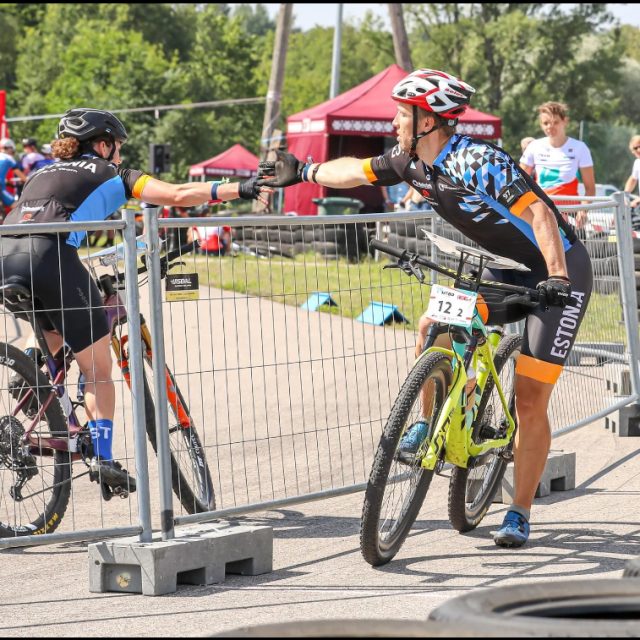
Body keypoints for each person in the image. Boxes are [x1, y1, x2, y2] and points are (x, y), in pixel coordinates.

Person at [258, 68, 593, 549]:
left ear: (429, 121)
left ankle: (519, 511)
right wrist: (305, 173)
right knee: (433, 324)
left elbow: (539, 213)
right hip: (502, 266)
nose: (394, 122)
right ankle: (427, 421)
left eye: (402, 114)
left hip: (559, 271)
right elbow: (355, 170)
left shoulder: (478, 160)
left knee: (529, 399)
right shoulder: (409, 161)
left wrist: (557, 276)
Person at [0, 108, 270, 494]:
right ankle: (105, 459)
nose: (121, 156)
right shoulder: (112, 174)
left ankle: (31, 381)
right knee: (97, 368)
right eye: (118, 148)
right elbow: (177, 194)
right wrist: (236, 189)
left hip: (6, 254)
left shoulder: (40, 171)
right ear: (103, 144)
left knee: (53, 339)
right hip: (50, 257)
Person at [519, 102, 595, 232]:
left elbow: (590, 188)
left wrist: (583, 212)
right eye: (546, 123)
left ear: (565, 121)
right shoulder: (534, 146)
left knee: (574, 252)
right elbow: (519, 180)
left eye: (555, 122)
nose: (550, 127)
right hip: (541, 212)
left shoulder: (580, 148)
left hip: (570, 214)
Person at [0, 138, 26, 218]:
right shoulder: (9, 158)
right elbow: (21, 176)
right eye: (13, 150)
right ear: (9, 148)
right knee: (16, 206)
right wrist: (26, 179)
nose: (12, 153)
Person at [623, 134, 640, 211]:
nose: (639, 150)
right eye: (635, 148)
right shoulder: (637, 163)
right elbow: (633, 179)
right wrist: (625, 195)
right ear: (632, 151)